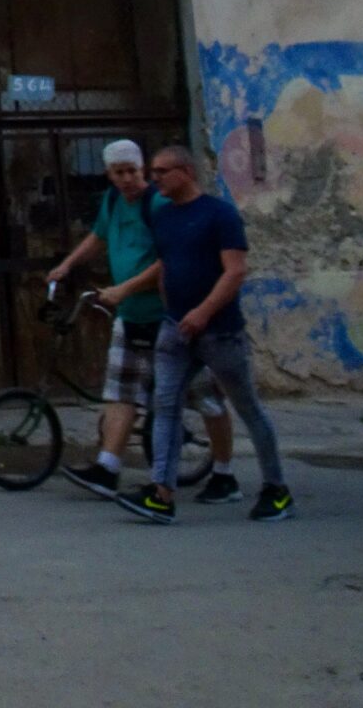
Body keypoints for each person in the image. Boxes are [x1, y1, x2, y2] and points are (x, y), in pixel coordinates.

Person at [46, 139, 239, 502]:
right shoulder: (113, 201)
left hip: (169, 316)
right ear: (109, 175)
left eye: (132, 171)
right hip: (131, 316)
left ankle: (225, 474)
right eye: (118, 173)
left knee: (205, 399)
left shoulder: (161, 205)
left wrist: (125, 289)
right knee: (120, 392)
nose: (127, 179)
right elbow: (98, 237)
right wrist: (68, 264)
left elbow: (169, 260)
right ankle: (107, 468)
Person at [115, 144, 296, 525]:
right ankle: (161, 494)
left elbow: (235, 271)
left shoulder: (219, 215)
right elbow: (167, 263)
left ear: (186, 172)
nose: (156, 178)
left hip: (219, 331)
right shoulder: (163, 218)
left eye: (162, 171)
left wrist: (203, 311)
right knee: (165, 405)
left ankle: (276, 490)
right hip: (175, 328)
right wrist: (172, 307)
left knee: (246, 406)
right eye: (154, 171)